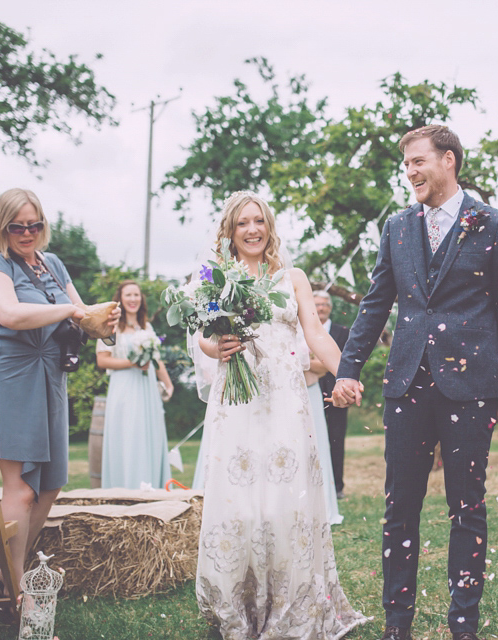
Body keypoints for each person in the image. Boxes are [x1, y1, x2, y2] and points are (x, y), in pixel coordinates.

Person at [331, 124, 498, 640]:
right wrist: (348, 368)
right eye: (407, 165)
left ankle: (464, 622)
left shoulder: (495, 224)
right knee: (400, 507)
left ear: (449, 161)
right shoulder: (396, 227)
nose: (411, 172)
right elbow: (375, 304)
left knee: (467, 506)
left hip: (474, 384)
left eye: (419, 162)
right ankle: (399, 623)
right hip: (407, 382)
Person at [193, 191, 366, 639]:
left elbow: (315, 334)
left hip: (287, 403)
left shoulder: (293, 277)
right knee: (240, 504)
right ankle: (234, 606)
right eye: (243, 223)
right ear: (230, 231)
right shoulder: (214, 277)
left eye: (259, 221)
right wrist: (219, 345)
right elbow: (203, 341)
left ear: (269, 226)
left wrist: (345, 374)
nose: (252, 230)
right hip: (238, 403)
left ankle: (290, 607)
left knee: (284, 504)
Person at [0, 188, 119, 593]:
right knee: (20, 489)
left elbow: (85, 317)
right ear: (2, 227)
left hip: (51, 375)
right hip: (12, 374)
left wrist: (104, 321)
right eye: (17, 226)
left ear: (43, 225)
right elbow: (10, 314)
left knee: (52, 482)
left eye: (34, 225)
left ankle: (7, 572)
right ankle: (15, 585)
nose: (27, 232)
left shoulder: (52, 264)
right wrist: (72, 311)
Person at [96, 280, 174, 490]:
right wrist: (131, 363)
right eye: (128, 295)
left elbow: (156, 360)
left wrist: (167, 384)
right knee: (128, 434)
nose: (133, 299)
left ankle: (150, 485)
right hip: (124, 387)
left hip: (147, 387)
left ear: (142, 299)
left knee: (150, 434)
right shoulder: (110, 326)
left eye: (136, 295)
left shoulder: (146, 326)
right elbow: (102, 360)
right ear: (120, 299)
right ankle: (127, 485)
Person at [314, 290, 350, 499]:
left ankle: (337, 486)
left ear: (330, 307)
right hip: (309, 388)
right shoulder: (301, 331)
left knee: (336, 439)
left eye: (324, 305)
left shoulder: (342, 332)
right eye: (317, 304)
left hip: (336, 391)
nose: (321, 308)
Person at [306, 351, 343, 525]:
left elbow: (322, 368)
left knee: (315, 448)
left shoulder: (305, 332)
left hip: (308, 389)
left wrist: (297, 360)